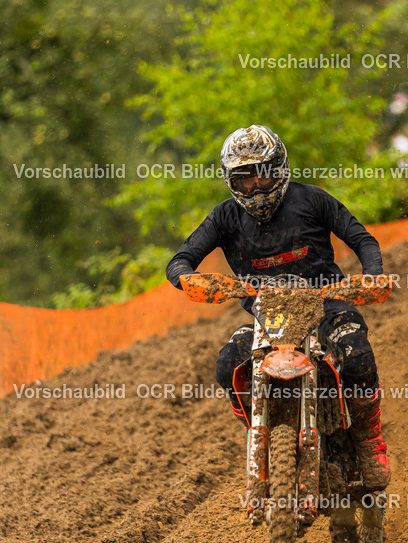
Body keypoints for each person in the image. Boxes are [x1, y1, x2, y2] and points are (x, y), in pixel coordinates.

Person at [165, 124, 390, 490]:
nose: (255, 187)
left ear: (280, 169)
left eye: (263, 175)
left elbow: (362, 239)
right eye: (244, 179)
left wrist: (373, 275)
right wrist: (191, 280)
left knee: (357, 353)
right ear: (231, 182)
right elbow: (179, 261)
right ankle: (263, 430)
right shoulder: (225, 217)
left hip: (325, 304)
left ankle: (369, 438)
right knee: (226, 366)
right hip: (267, 319)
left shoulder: (311, 200)